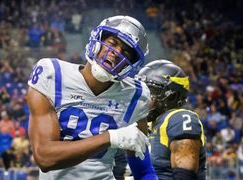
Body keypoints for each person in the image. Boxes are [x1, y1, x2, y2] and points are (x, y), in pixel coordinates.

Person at [27, 15, 155, 179]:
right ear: (97, 40)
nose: (115, 53)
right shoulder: (52, 74)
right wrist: (111, 137)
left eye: (126, 52)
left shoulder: (136, 95)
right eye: (112, 43)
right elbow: (44, 158)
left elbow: (143, 170)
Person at [134, 60, 206, 180]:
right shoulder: (144, 124)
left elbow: (184, 176)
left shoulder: (179, 118)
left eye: (150, 91)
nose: (143, 98)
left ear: (172, 95)